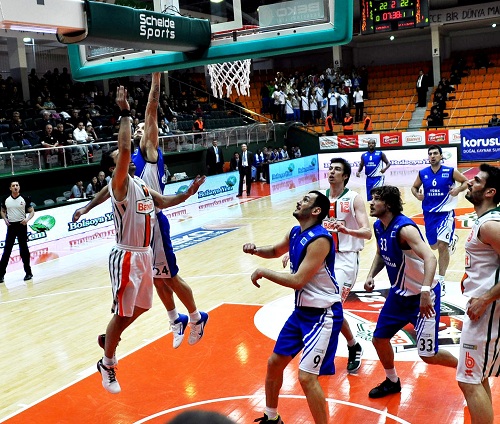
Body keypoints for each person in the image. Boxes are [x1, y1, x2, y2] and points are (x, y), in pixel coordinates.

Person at [74, 74, 209, 351]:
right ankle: (175, 319)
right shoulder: (126, 167)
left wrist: (156, 75)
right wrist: (87, 207)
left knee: (167, 275)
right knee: (158, 278)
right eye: (135, 129)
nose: (140, 130)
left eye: (141, 129)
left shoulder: (148, 152)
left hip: (154, 220)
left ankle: (196, 316)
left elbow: (151, 109)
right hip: (140, 229)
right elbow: (108, 189)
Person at [94, 85, 205, 394]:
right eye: (120, 158)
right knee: (122, 312)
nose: (127, 159)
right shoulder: (119, 184)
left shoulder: (142, 185)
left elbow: (166, 202)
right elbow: (127, 149)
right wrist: (126, 112)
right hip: (127, 255)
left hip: (144, 253)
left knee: (142, 307)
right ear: (114, 167)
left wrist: (188, 193)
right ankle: (108, 361)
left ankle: (113, 336)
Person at [243, 190, 343, 424]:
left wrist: (263, 272)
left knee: (307, 378)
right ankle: (271, 417)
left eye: (306, 200)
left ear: (316, 211)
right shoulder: (296, 232)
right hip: (301, 313)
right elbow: (276, 250)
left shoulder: (320, 240)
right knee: (274, 363)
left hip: (323, 315)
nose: (300, 201)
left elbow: (298, 280)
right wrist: (256, 249)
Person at [364, 185, 458, 399]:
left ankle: (464, 369)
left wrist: (425, 291)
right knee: (379, 339)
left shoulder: (405, 228)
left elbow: (430, 257)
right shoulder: (379, 226)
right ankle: (392, 380)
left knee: (429, 354)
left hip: (423, 297)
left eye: (375, 199)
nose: (371, 202)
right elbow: (380, 253)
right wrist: (371, 274)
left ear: (387, 204)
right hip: (399, 296)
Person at [456, 163, 500, 424]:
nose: (470, 182)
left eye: (477, 181)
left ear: (490, 192)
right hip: (482, 307)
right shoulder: (484, 222)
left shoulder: (490, 225)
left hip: (486, 310)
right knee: (477, 377)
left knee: (468, 380)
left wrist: (485, 298)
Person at [411, 145, 468, 295]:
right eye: (430, 154)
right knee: (434, 246)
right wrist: (417, 195)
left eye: (436, 153)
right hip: (429, 214)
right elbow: (414, 188)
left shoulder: (450, 171)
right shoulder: (423, 173)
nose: (433, 156)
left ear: (441, 156)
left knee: (442, 246)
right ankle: (451, 240)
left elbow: (466, 182)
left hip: (446, 213)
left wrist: (458, 190)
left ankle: (441, 280)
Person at [0, 181, 34, 283]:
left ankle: (28, 273)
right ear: (10, 188)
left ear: (19, 187)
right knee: (7, 251)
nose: (15, 187)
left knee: (23, 250)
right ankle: (1, 275)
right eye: (13, 186)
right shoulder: (6, 199)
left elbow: (32, 211)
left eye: (17, 185)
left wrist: (27, 220)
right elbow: (2, 210)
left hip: (21, 225)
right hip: (11, 227)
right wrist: (5, 220)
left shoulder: (25, 199)